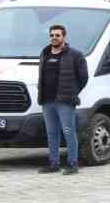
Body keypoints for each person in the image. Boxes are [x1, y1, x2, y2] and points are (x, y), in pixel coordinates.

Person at [38, 23, 90, 175]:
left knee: (69, 132)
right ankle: (53, 163)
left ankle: (73, 164)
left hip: (65, 101)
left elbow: (83, 78)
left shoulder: (75, 55)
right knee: (52, 133)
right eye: (52, 35)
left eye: (57, 35)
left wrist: (72, 92)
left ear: (64, 37)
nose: (54, 38)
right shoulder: (45, 53)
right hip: (47, 101)